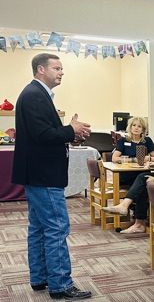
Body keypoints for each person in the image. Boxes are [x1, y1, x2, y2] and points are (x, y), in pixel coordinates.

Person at [11, 53, 93, 299]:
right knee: (57, 228)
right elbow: (42, 135)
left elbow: (45, 133)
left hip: (36, 173)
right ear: (40, 69)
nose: (61, 72)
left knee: (39, 228)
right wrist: (71, 130)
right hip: (44, 175)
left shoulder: (35, 93)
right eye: (57, 68)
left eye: (61, 68)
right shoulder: (35, 95)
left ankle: (41, 278)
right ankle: (60, 285)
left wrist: (70, 133)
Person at [111, 116, 154, 185]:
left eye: (139, 126)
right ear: (130, 127)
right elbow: (114, 158)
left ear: (143, 129)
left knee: (147, 178)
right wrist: (134, 160)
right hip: (126, 173)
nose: (136, 128)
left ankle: (131, 195)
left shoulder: (147, 140)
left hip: (142, 171)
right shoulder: (123, 141)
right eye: (134, 125)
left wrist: (149, 158)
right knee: (142, 180)